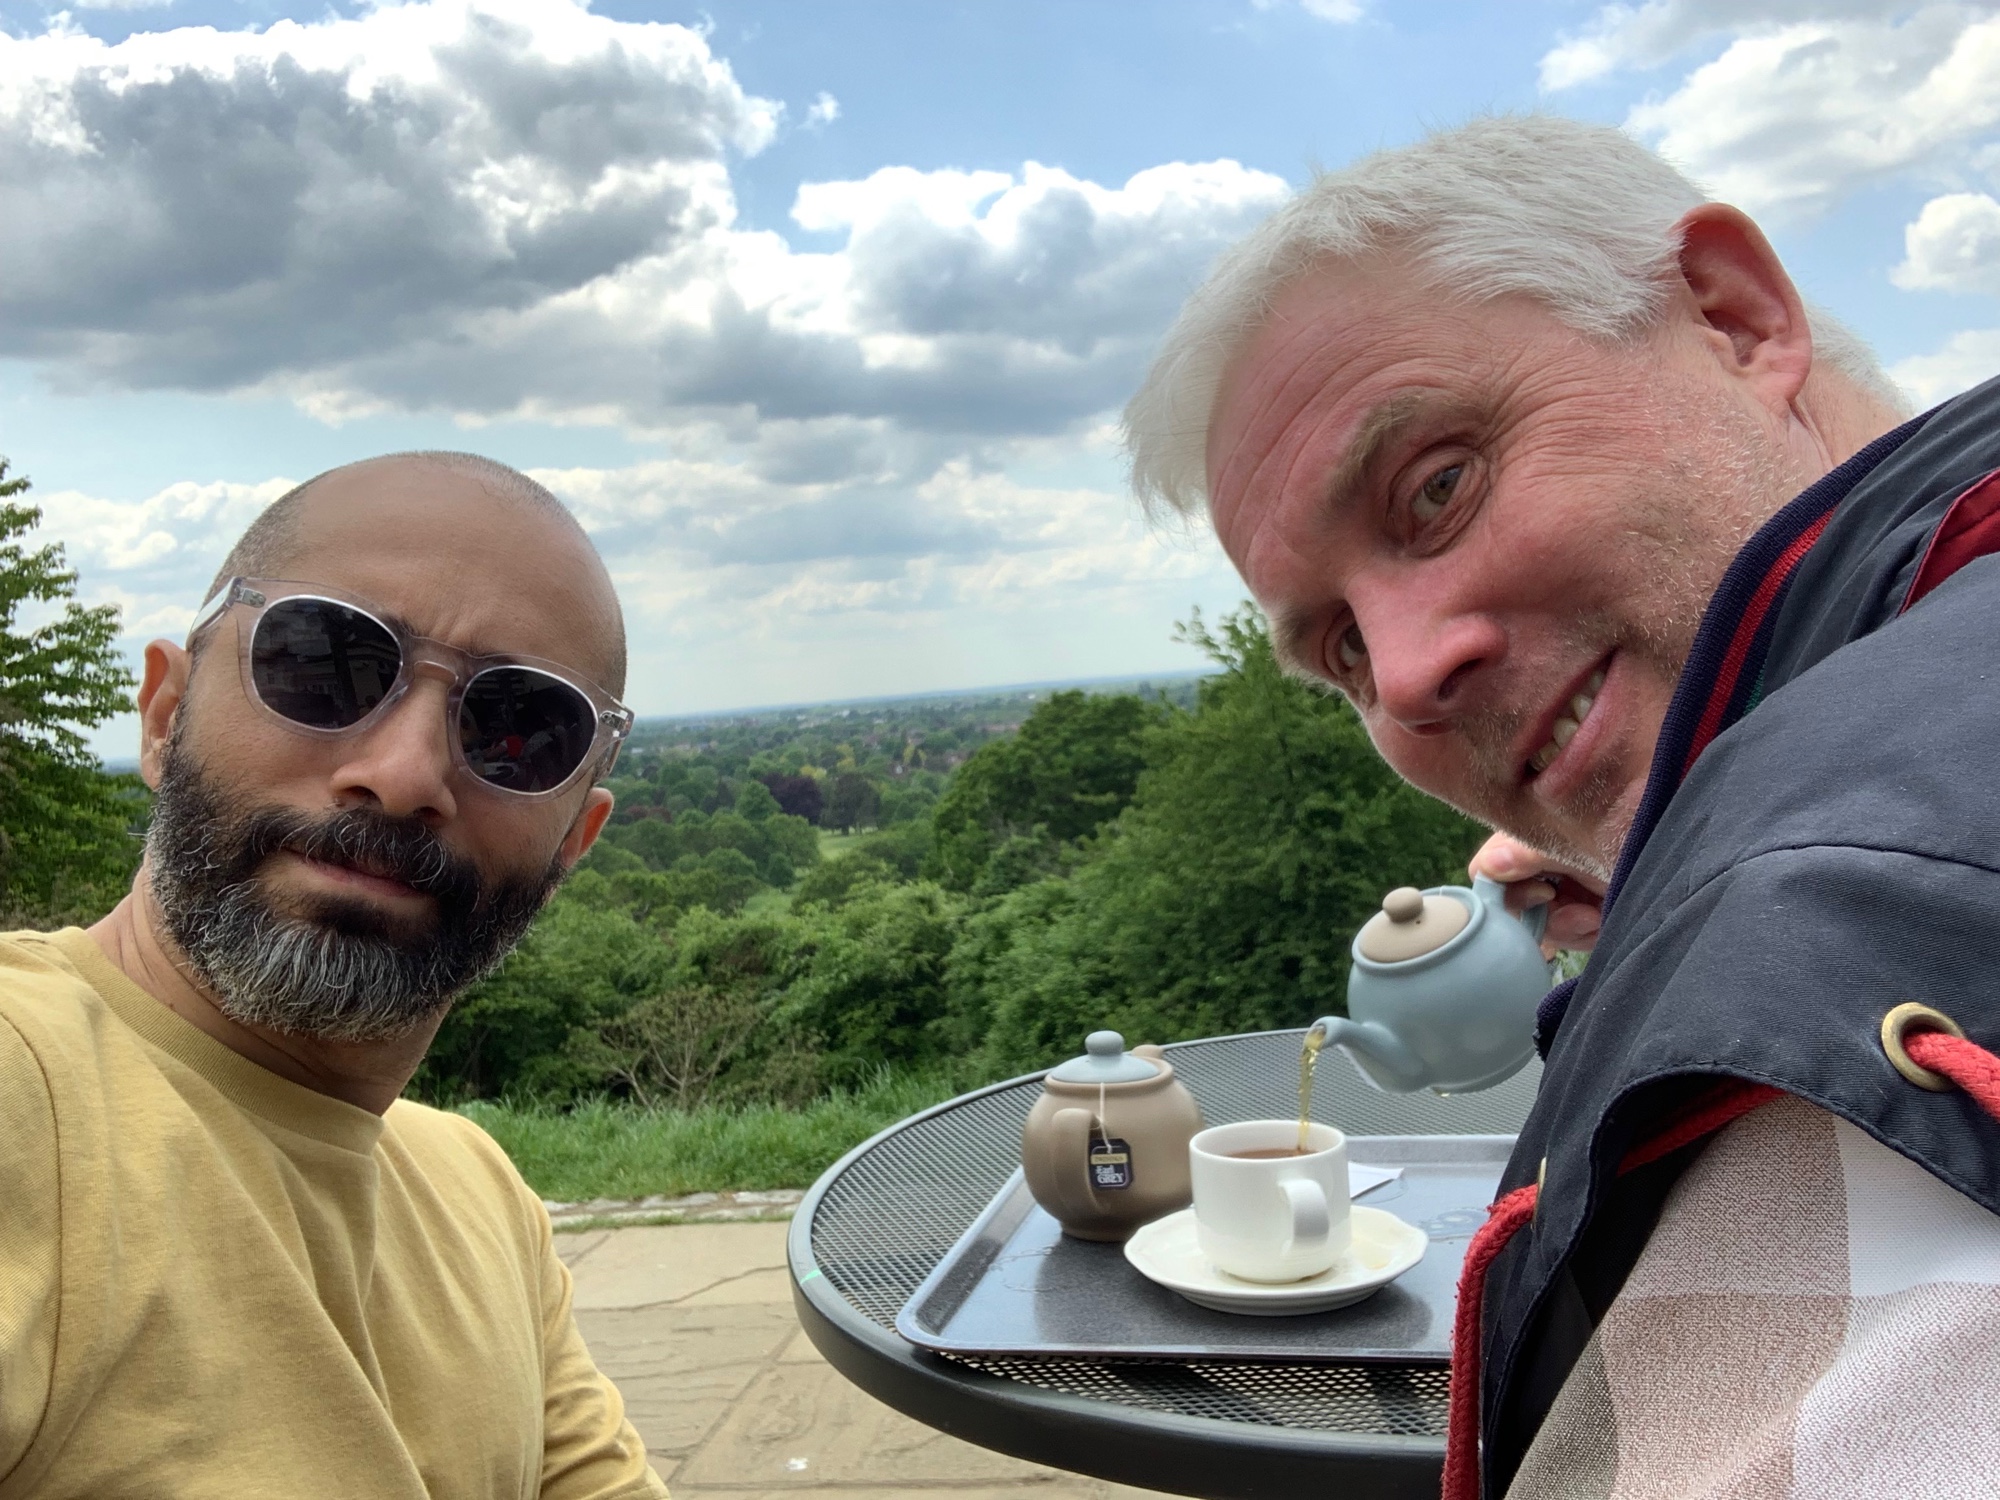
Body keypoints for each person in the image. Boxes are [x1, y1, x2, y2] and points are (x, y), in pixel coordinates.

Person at [1125, 115, 2000, 1497]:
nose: (1401, 677)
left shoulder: (1820, 1033)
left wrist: (1772, 903)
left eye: (1438, 486)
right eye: (1339, 650)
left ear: (1731, 315)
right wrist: (1670, 906)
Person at [0, 452, 670, 1498]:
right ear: (165, 715)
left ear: (572, 842)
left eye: (519, 731)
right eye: (327, 666)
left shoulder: (482, 1198)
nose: (403, 776)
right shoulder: (23, 1088)